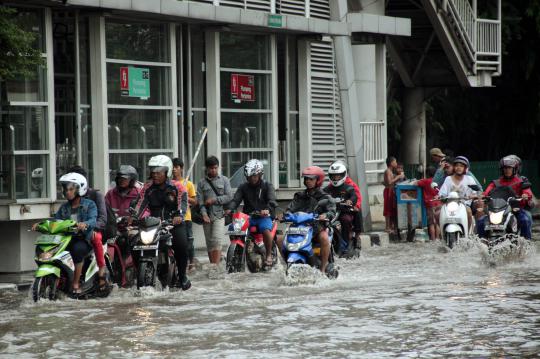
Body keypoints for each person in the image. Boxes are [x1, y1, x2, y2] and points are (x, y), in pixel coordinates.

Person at [33, 173, 97, 295]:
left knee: (77, 250)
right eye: (65, 189)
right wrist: (40, 224)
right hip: (65, 239)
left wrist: (85, 224)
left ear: (79, 189)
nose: (67, 192)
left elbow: (93, 220)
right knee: (49, 249)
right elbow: (56, 221)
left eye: (70, 189)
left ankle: (76, 283)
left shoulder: (90, 204)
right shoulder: (64, 207)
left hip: (82, 238)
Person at [133, 155, 191, 290]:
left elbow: (182, 204)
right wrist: (133, 217)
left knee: (182, 245)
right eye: (153, 172)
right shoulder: (147, 188)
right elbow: (140, 205)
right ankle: (139, 273)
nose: (155, 175)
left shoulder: (178, 187)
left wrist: (179, 216)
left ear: (167, 172)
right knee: (135, 244)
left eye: (158, 172)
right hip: (152, 225)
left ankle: (182, 276)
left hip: (172, 224)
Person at [283, 166, 336, 273]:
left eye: (311, 179)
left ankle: (322, 269)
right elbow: (291, 208)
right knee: (280, 239)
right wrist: (285, 214)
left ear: (318, 180)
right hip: (300, 227)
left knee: (324, 238)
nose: (308, 181)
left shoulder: (325, 197)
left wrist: (325, 215)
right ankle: (288, 263)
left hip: (318, 227)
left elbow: (331, 211)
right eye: (306, 179)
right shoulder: (300, 196)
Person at [227, 159, 278, 269]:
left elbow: (272, 200)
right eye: (249, 176)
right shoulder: (243, 187)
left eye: (254, 176)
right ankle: (239, 252)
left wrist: (267, 209)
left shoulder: (267, 186)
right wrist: (230, 209)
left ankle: (268, 255)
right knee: (235, 229)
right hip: (248, 217)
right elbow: (235, 200)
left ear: (260, 174)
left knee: (265, 229)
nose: (252, 178)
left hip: (263, 217)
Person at [68, 165, 108, 291]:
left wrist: (89, 226)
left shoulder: (96, 196)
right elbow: (61, 217)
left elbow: (102, 218)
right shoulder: (69, 199)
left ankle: (101, 272)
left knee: (93, 240)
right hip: (71, 233)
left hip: (91, 232)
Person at [477, 156, 535, 239]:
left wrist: (525, 195)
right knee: (480, 221)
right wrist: (482, 196)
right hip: (499, 211)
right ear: (502, 169)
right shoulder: (496, 182)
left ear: (515, 169)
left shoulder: (521, 182)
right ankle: (481, 244)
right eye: (505, 168)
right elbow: (487, 192)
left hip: (516, 209)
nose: (507, 170)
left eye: (509, 168)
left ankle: (526, 244)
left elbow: (527, 192)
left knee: (525, 220)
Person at [196, 156, 233, 272]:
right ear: (206, 168)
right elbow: (200, 201)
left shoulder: (224, 180)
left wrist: (214, 200)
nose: (213, 170)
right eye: (211, 168)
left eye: (215, 168)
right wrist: (204, 214)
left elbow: (229, 196)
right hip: (206, 216)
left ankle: (215, 267)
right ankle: (213, 266)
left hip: (219, 214)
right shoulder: (201, 183)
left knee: (217, 239)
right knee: (210, 242)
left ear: (218, 167)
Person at [324, 161, 358, 256]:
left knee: (346, 220)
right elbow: (319, 198)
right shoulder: (326, 189)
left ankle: (346, 245)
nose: (335, 178)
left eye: (338, 176)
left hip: (343, 212)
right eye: (333, 176)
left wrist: (350, 201)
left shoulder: (349, 188)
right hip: (330, 213)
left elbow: (354, 196)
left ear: (343, 175)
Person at [438, 156, 480, 230]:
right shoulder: (448, 179)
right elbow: (442, 193)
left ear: (465, 168)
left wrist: (473, 195)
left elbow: (476, 192)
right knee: (437, 213)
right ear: (454, 167)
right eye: (457, 165)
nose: (458, 167)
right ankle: (442, 234)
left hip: (464, 205)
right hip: (449, 205)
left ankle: (467, 233)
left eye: (461, 166)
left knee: (469, 212)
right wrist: (440, 196)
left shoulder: (469, 179)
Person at [172, 158, 198, 272]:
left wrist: (183, 196)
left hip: (186, 217)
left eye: (176, 167)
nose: (174, 169)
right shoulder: (169, 184)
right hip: (172, 218)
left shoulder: (188, 184)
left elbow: (195, 201)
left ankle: (191, 263)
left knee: (189, 241)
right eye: (172, 167)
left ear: (181, 169)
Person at [412, 166, 441, 241]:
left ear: (427, 174)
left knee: (431, 223)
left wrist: (421, 179)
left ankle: (433, 239)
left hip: (430, 204)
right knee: (437, 222)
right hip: (439, 203)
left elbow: (415, 184)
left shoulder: (426, 181)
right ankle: (438, 238)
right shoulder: (439, 181)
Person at [383, 156, 404, 233]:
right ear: (391, 163)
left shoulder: (391, 172)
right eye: (395, 162)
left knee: (392, 209)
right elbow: (389, 182)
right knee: (388, 209)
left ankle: (392, 226)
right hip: (388, 190)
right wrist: (398, 177)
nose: (396, 163)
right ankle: (387, 227)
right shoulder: (388, 171)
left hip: (392, 190)